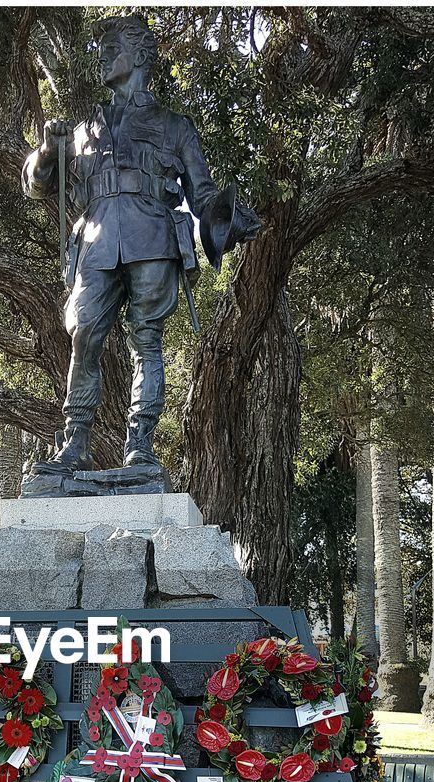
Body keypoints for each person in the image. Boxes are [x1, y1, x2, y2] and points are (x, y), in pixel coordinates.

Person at [22, 15, 259, 475]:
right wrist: (48, 150)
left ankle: (141, 446)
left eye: (113, 46)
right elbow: (36, 183)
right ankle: (75, 444)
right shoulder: (81, 128)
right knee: (84, 336)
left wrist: (231, 219)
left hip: (152, 236)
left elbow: (203, 194)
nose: (104, 55)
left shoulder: (175, 126)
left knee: (146, 341)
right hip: (95, 239)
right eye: (103, 47)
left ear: (140, 55)